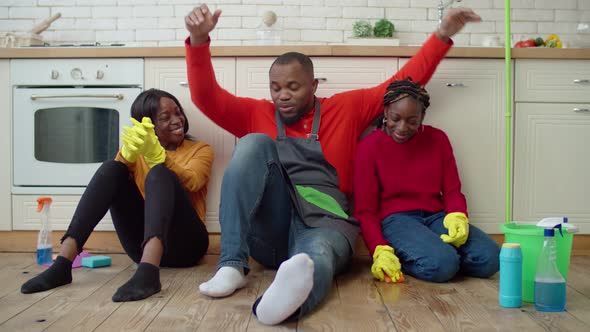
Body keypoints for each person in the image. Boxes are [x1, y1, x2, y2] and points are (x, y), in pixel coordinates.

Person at [184, 4, 481, 325]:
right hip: (272, 233)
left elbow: (403, 82)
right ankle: (231, 264)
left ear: (313, 86)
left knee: (317, 257)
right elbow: (206, 97)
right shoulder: (257, 114)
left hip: (326, 226)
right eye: (276, 88)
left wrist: (442, 35)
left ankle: (285, 302)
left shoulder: (347, 108)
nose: (282, 95)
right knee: (254, 143)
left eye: (293, 87)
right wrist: (199, 41)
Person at [20, 89, 214, 302]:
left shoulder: (201, 149)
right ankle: (63, 264)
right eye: (165, 118)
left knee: (159, 173)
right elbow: (108, 184)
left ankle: (149, 273)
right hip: (138, 247)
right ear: (147, 125)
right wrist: (125, 156)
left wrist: (158, 157)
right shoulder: (138, 151)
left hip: (187, 246)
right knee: (112, 168)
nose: (177, 120)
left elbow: (194, 181)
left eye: (178, 113)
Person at [353, 78, 500, 284]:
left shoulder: (438, 139)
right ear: (385, 111)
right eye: (396, 118)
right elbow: (365, 210)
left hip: (436, 216)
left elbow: (452, 191)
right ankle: (431, 258)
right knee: (443, 265)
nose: (402, 127)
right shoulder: (369, 147)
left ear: (423, 116)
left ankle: (443, 258)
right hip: (397, 221)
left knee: (491, 258)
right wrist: (378, 248)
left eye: (412, 121)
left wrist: (457, 215)